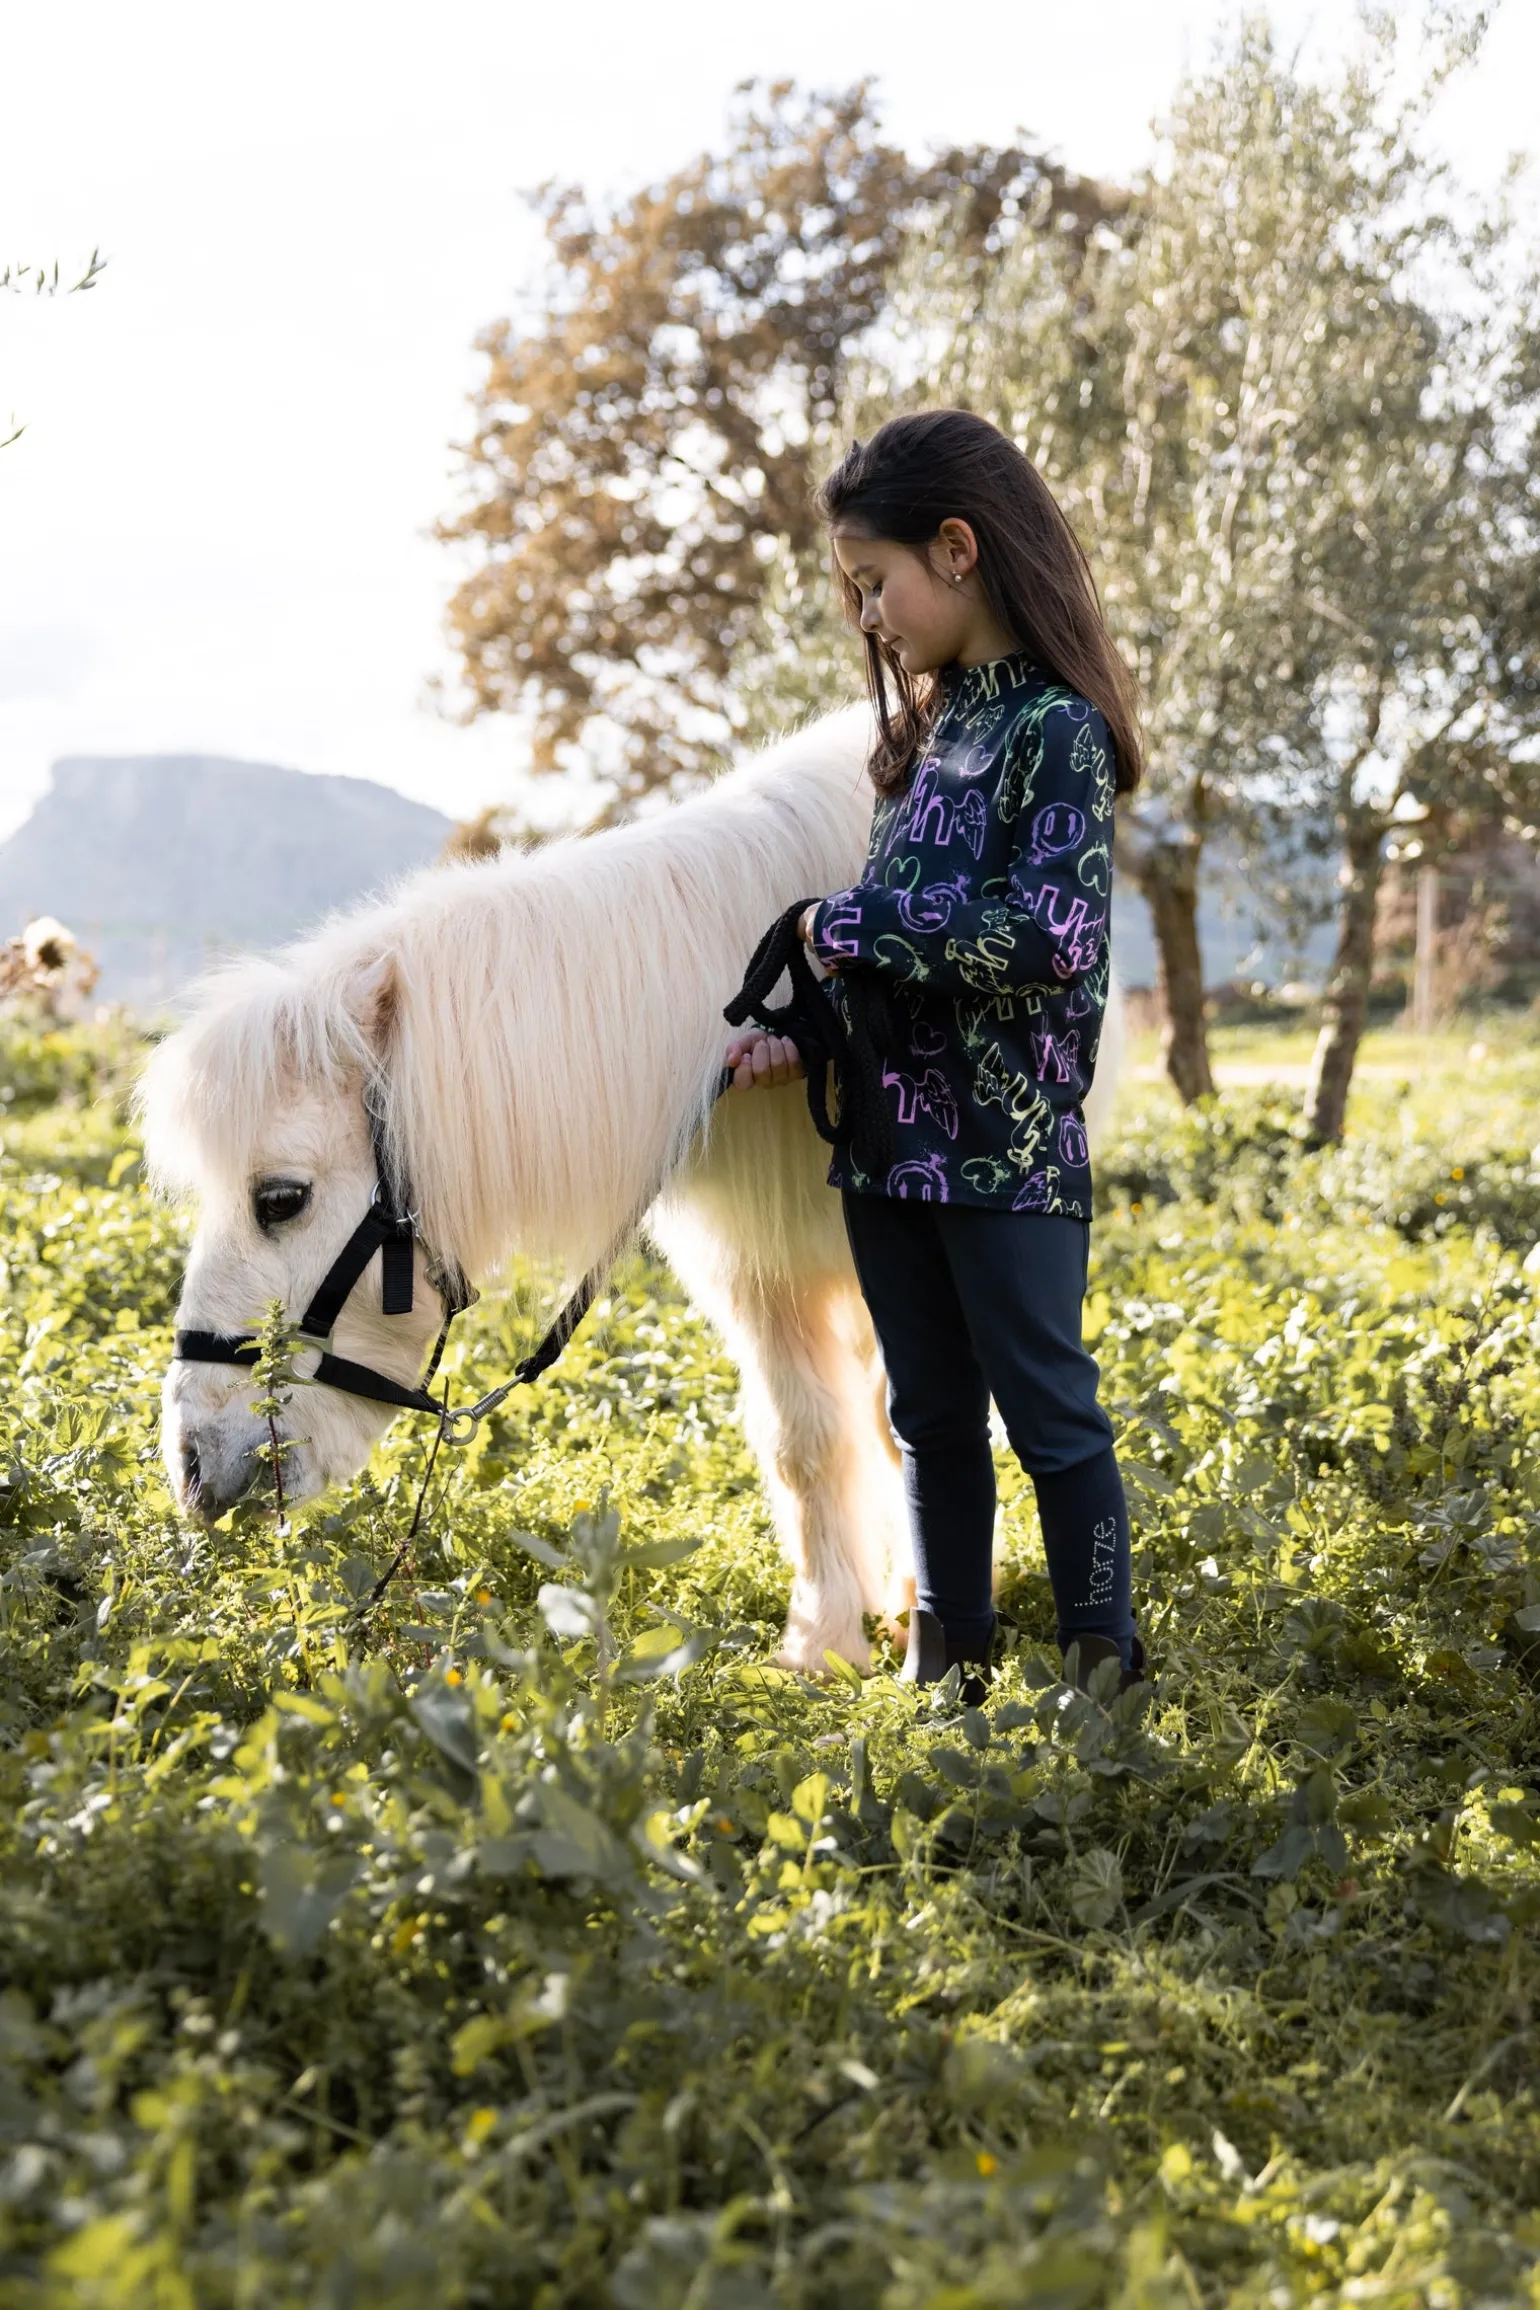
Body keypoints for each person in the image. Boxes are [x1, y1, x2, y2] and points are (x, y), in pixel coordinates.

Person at [726, 408, 1144, 1694]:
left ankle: (1100, 1667)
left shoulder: (1056, 737)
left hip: (1005, 1154)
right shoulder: (923, 746)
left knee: (1050, 1417)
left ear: (956, 549)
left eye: (875, 582)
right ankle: (943, 1663)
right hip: (889, 1149)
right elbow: (915, 966)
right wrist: (808, 1039)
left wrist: (847, 921)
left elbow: (1051, 936)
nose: (869, 616)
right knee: (928, 1423)